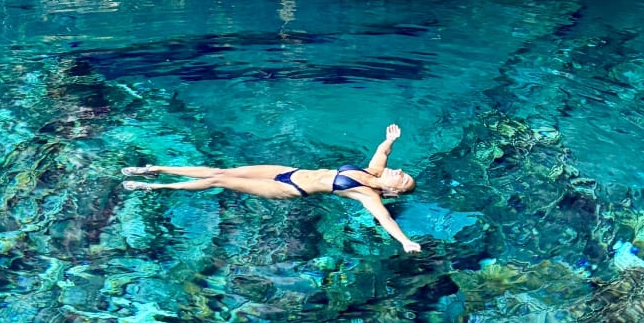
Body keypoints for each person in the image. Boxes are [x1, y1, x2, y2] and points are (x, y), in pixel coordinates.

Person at [122, 124, 421, 253]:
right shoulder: (374, 172)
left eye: (402, 179)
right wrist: (390, 140)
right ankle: (155, 168)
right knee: (219, 171)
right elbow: (383, 153)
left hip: (290, 190)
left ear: (393, 192)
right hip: (288, 172)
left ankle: (158, 186)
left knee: (217, 182)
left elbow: (386, 220)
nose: (400, 172)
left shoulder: (367, 194)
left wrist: (405, 241)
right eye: (405, 173)